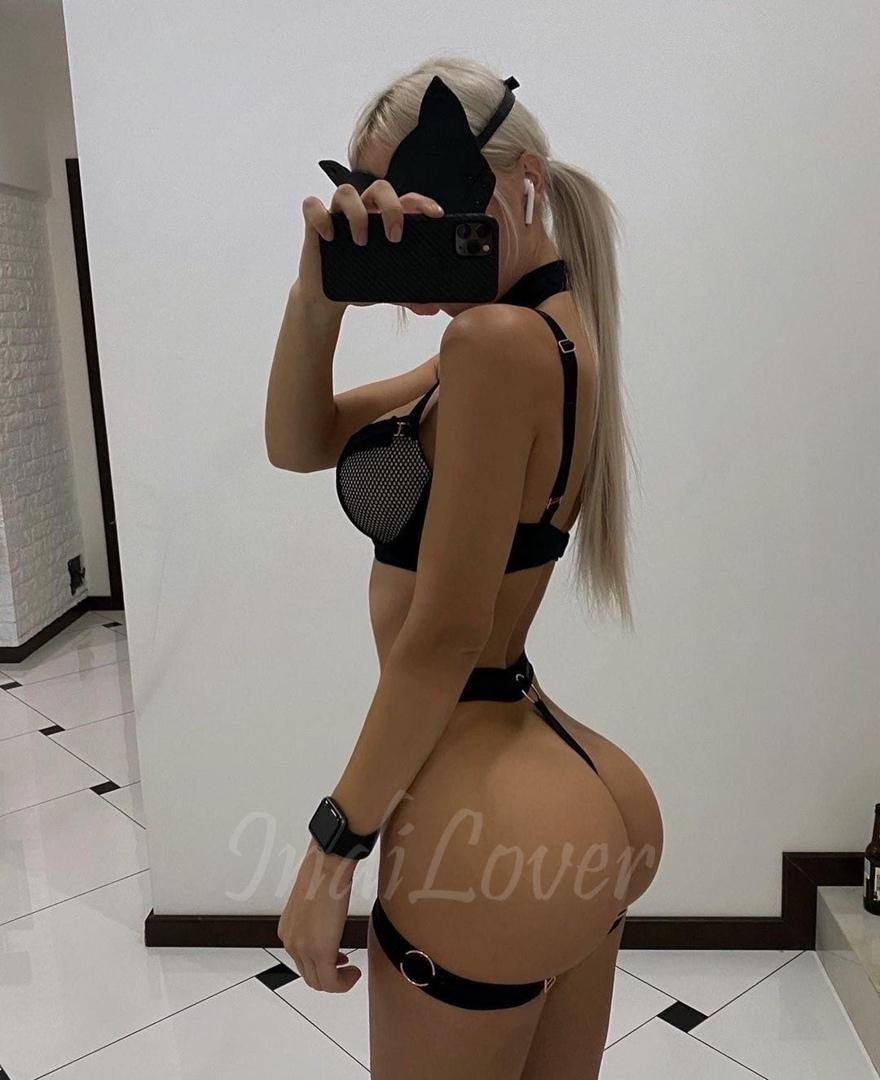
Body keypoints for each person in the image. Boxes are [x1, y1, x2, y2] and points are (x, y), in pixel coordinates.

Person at [266, 54, 663, 1080]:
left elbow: (443, 635)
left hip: (486, 815)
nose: (411, 231)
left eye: (434, 200)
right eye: (386, 209)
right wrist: (320, 293)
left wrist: (332, 849)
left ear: (521, 183)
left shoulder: (493, 345)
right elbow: (300, 440)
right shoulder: (544, 336)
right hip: (570, 787)